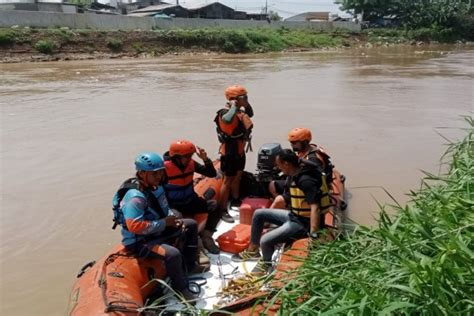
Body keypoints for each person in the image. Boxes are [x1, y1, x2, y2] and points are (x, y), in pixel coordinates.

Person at [112, 152, 208, 303]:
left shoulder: (156, 187)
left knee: (190, 224)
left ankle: (190, 265)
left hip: (156, 230)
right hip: (140, 240)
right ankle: (180, 288)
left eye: (161, 172)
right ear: (142, 173)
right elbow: (134, 226)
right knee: (173, 254)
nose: (159, 176)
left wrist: (172, 218)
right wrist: (164, 223)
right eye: (155, 173)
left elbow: (164, 208)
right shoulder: (135, 198)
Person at [233, 149, 331, 273]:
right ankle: (253, 250)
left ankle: (266, 263)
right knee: (259, 214)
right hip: (293, 215)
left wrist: (314, 234)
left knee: (266, 240)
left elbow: (315, 207)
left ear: (286, 164)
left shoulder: (305, 180)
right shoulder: (294, 174)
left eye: (278, 164)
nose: (277, 167)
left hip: (302, 223)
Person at [163, 140, 221, 255]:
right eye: (186, 156)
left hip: (191, 201)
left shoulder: (191, 163)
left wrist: (205, 159)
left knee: (216, 206)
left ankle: (207, 235)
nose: (189, 158)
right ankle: (186, 244)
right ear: (176, 157)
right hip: (174, 205)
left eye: (191, 155)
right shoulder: (163, 169)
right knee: (177, 219)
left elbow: (211, 173)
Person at [215, 85, 254, 219]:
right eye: (244, 97)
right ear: (234, 100)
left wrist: (245, 103)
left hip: (239, 149)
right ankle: (222, 210)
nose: (246, 99)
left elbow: (251, 113)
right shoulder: (225, 112)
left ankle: (236, 199)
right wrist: (234, 106)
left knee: (238, 175)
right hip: (229, 151)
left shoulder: (239, 111)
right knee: (228, 180)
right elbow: (227, 120)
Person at [269, 127, 333, 209]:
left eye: (294, 142)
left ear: (305, 142)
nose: (292, 145)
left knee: (273, 187)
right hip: (301, 181)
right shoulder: (304, 151)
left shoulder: (313, 159)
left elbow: (316, 178)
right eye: (291, 142)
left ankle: (287, 206)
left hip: (307, 186)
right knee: (273, 183)